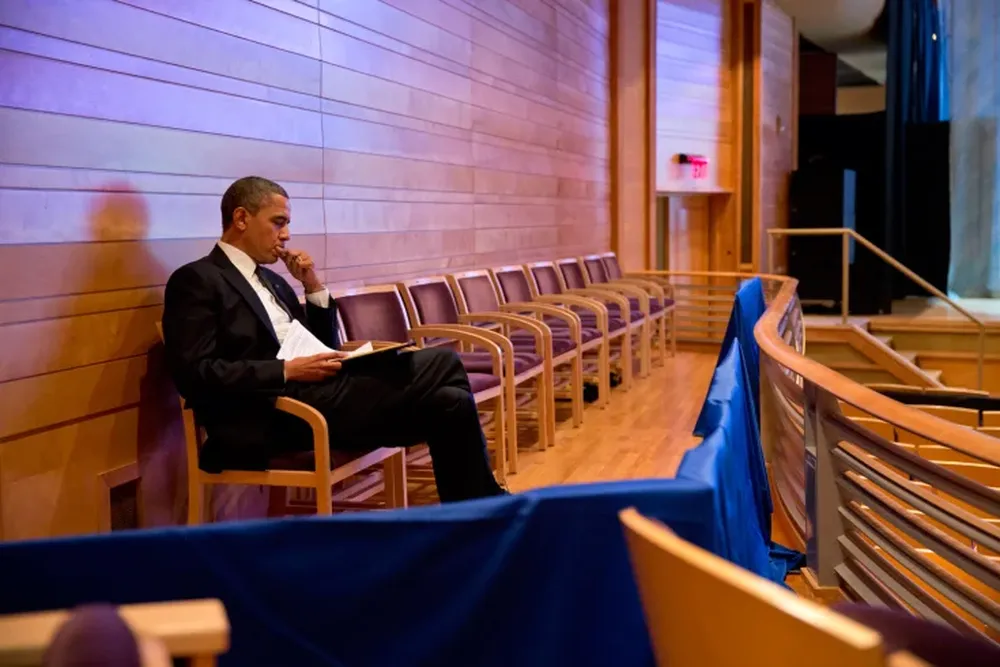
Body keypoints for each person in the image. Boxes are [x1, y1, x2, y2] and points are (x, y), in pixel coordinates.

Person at [162, 176, 504, 502]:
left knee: (450, 401)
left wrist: (311, 286)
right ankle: (489, 506)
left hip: (321, 395)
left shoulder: (273, 280)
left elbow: (322, 345)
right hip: (271, 412)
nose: (286, 235)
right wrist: (286, 371)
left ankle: (473, 514)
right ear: (241, 218)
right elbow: (196, 373)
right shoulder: (198, 279)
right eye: (278, 222)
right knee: (444, 361)